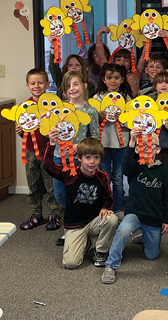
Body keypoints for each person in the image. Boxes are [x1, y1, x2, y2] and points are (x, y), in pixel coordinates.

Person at [101, 128, 168, 284]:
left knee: (152, 255)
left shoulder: (162, 171)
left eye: (151, 146)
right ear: (137, 149)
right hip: (134, 213)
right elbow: (126, 168)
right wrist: (131, 142)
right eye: (142, 146)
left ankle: (144, 237)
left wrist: (167, 219)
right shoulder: (135, 167)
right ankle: (111, 265)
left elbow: (167, 197)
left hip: (153, 217)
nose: (146, 149)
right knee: (124, 230)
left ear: (158, 150)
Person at [43, 135, 118, 269]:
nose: (92, 162)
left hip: (95, 221)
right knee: (71, 264)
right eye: (87, 157)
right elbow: (48, 166)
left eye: (96, 157)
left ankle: (100, 251)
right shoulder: (70, 174)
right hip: (75, 225)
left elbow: (108, 197)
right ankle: (87, 242)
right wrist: (52, 144)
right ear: (79, 158)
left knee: (111, 219)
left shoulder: (103, 177)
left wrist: (106, 207)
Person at [52, 71, 100, 247]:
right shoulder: (59, 110)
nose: (72, 89)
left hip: (80, 163)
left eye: (75, 84)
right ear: (64, 91)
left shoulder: (91, 111)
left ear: (84, 86)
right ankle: (79, 224)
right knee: (60, 195)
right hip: (59, 157)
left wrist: (80, 147)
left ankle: (73, 230)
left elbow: (95, 138)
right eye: (68, 86)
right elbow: (50, 129)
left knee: (78, 195)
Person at [17, 68, 61, 231]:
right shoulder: (25, 107)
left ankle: (54, 214)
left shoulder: (53, 105)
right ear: (28, 86)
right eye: (33, 83)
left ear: (47, 84)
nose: (37, 86)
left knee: (51, 185)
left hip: (50, 150)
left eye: (40, 82)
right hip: (30, 151)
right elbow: (26, 132)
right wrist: (21, 132)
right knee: (33, 183)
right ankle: (36, 214)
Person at [93, 63, 133, 213]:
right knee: (105, 178)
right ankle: (105, 208)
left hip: (120, 145)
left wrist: (120, 118)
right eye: (109, 78)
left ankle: (117, 210)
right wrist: (98, 115)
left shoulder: (127, 98)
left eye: (116, 78)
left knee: (117, 179)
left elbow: (131, 122)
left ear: (122, 79)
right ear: (103, 79)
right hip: (102, 145)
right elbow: (89, 121)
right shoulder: (97, 98)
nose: (113, 81)